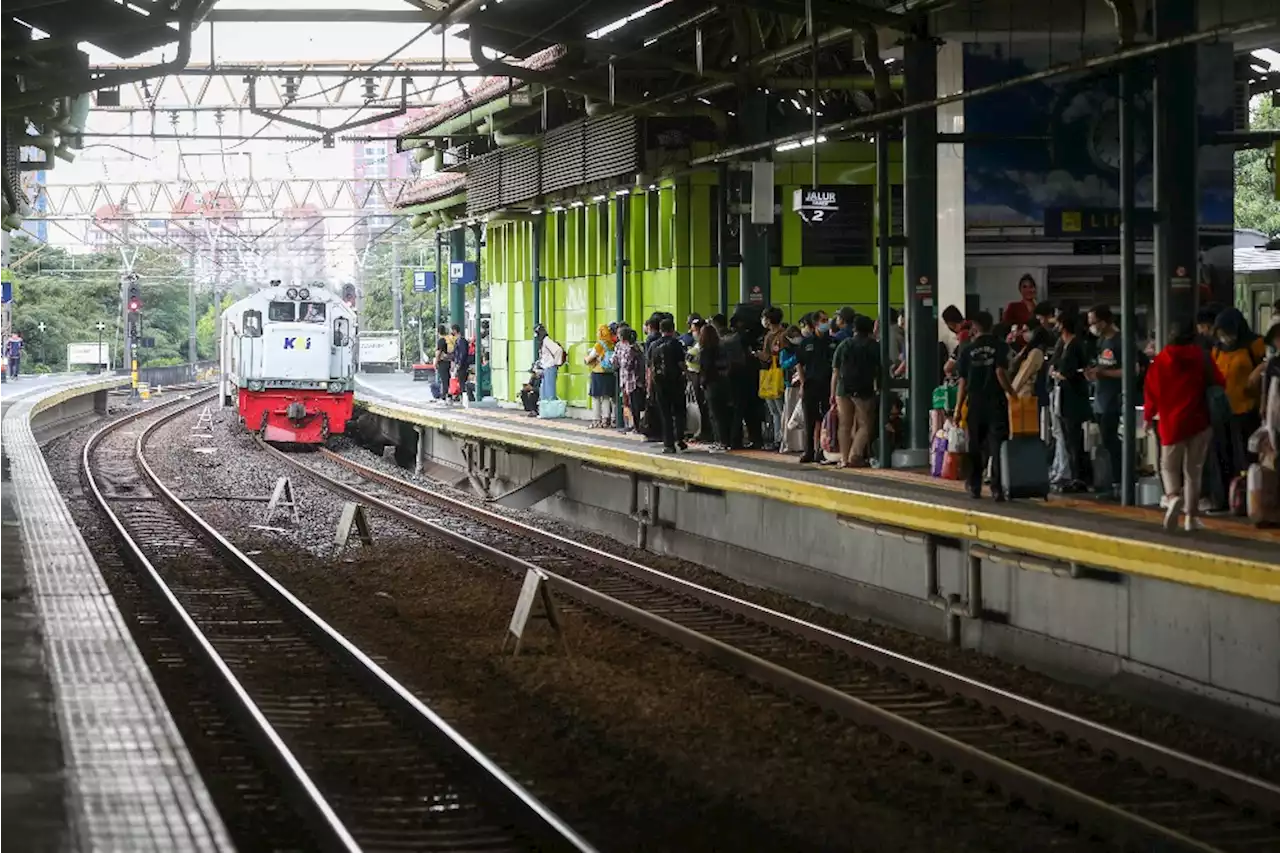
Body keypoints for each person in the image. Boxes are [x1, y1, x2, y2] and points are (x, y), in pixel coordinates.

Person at [1145, 320, 1225, 531]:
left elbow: (1151, 391)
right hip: (1199, 420)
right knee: (1194, 471)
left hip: (1171, 422)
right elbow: (1219, 381)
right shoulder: (1202, 356)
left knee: (1168, 467)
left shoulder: (1162, 360)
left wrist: (1148, 416)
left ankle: (1172, 498)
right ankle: (1191, 517)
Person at [955, 311, 1014, 502]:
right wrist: (1012, 394)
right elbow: (1000, 372)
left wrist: (957, 408)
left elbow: (962, 383)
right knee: (997, 445)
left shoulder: (966, 350)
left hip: (975, 402)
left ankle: (975, 486)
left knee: (975, 445)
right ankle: (997, 488)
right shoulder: (1000, 347)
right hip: (996, 401)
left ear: (974, 326)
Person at [831, 314, 880, 468]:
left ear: (854, 329)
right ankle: (854, 455)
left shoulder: (844, 345)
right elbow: (880, 369)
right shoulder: (873, 346)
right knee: (865, 425)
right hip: (863, 390)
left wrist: (832, 393)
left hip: (843, 388)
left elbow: (836, 372)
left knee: (844, 425)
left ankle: (844, 459)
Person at [1086, 304, 1125, 498]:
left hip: (1113, 399)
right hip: (1101, 398)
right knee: (1107, 442)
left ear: (1104, 322)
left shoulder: (1120, 341)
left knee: (1113, 442)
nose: (1092, 327)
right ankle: (1111, 482)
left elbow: (1130, 370)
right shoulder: (1102, 341)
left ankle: (1120, 483)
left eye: (1094, 323)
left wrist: (1104, 373)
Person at [1050, 313, 1092, 492]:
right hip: (1065, 397)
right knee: (1069, 438)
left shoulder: (1074, 346)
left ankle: (1079, 477)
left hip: (1073, 398)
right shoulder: (1064, 345)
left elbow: (1067, 372)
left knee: (1074, 439)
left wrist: (1057, 374)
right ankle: (1075, 475)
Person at [796, 313, 834, 464]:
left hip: (827, 385)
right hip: (811, 385)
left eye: (827, 320)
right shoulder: (806, 343)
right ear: (815, 324)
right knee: (809, 420)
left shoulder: (832, 342)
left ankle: (822, 451)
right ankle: (809, 451)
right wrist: (803, 383)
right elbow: (799, 363)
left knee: (826, 419)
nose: (826, 323)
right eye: (823, 321)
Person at [648, 318, 687, 453]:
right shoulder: (677, 344)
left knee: (665, 414)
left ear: (660, 329)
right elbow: (681, 364)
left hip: (659, 384)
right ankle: (680, 438)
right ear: (672, 329)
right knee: (679, 411)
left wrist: (650, 387)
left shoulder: (653, 345)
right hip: (676, 382)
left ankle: (668, 444)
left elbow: (650, 367)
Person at [758, 307, 787, 450]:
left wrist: (756, 354)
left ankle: (779, 438)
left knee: (776, 410)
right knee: (780, 409)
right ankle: (780, 438)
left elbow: (767, 356)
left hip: (773, 376)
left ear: (768, 320)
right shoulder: (784, 334)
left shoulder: (770, 336)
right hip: (781, 374)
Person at [585, 323, 618, 428]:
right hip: (609, 373)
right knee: (606, 397)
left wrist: (586, 359)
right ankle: (606, 419)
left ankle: (596, 420)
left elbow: (590, 358)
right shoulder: (612, 344)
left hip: (598, 373)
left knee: (596, 397)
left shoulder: (599, 344)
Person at [614, 327, 645, 432]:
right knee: (628, 403)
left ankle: (635, 425)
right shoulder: (623, 346)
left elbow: (626, 364)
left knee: (634, 404)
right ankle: (631, 425)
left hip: (632, 380)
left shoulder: (632, 348)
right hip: (628, 379)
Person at [537, 325, 565, 402]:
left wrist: (555, 362)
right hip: (546, 368)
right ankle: (546, 410)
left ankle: (551, 410)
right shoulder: (543, 341)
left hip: (550, 367)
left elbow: (558, 350)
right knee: (544, 392)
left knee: (550, 392)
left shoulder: (547, 341)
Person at [449, 324, 469, 402]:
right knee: (460, 381)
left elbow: (462, 353)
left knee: (462, 381)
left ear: (455, 330)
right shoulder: (459, 340)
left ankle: (463, 398)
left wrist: (459, 363)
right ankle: (461, 397)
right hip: (460, 364)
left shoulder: (461, 341)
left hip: (462, 365)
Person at [434, 324, 451, 397]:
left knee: (444, 380)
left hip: (442, 362)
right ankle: (448, 395)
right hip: (449, 361)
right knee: (447, 379)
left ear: (438, 332)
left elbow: (438, 352)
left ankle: (444, 396)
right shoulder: (448, 339)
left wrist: (436, 362)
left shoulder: (441, 340)